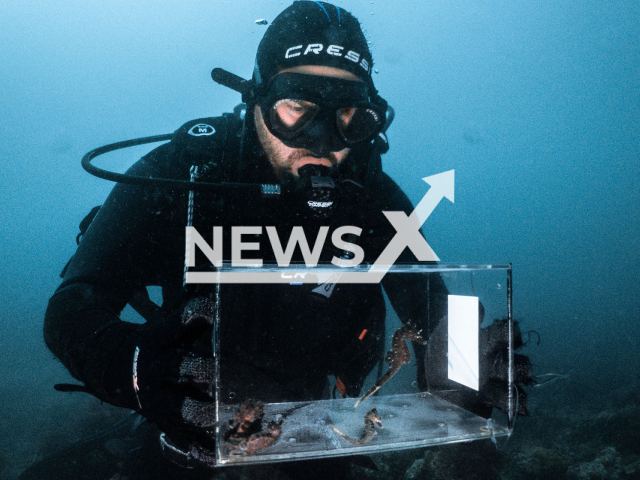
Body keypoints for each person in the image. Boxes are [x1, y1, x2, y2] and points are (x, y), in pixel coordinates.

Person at [43, 2, 526, 478]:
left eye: (350, 115)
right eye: (297, 108)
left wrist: (462, 369)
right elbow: (71, 310)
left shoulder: (371, 196)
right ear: (256, 98)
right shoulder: (185, 173)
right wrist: (138, 369)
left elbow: (433, 310)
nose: (323, 141)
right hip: (191, 413)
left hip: (318, 423)